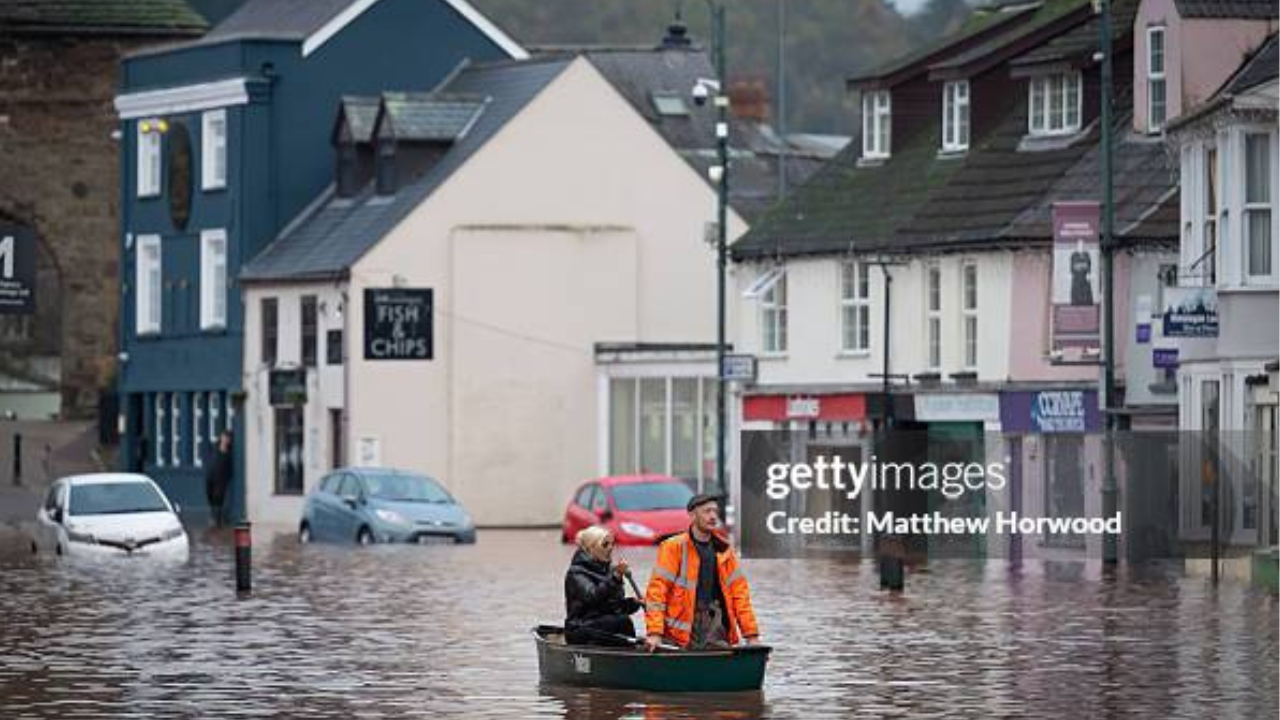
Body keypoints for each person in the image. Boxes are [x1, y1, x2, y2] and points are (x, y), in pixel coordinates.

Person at [643, 494, 759, 651]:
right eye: (707, 511)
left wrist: (752, 637)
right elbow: (657, 592)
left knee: (720, 654)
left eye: (715, 512)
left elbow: (740, 596)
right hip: (678, 632)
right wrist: (655, 633)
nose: (712, 516)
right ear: (692, 515)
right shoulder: (673, 547)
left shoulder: (724, 551)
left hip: (714, 625)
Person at [564, 526, 643, 646]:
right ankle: (629, 654)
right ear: (590, 548)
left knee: (621, 620)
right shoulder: (576, 573)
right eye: (605, 544)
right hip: (580, 628)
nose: (611, 548)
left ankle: (630, 653)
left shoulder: (610, 572)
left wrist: (635, 603)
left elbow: (613, 607)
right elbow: (593, 597)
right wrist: (615, 578)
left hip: (602, 626)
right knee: (622, 621)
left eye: (612, 544)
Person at [205, 430, 233, 527]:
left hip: (222, 478)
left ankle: (217, 519)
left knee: (219, 497)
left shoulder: (230, 451)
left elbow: (230, 466)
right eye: (224, 437)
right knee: (210, 496)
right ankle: (213, 517)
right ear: (221, 437)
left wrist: (228, 477)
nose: (225, 440)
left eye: (227, 438)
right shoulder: (214, 447)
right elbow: (209, 458)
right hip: (211, 475)